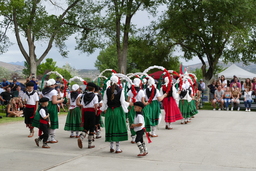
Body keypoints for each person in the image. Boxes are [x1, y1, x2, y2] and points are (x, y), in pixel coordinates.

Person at [101, 75, 130, 153]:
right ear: (117, 81)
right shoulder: (121, 90)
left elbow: (105, 102)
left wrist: (103, 109)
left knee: (111, 128)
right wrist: (127, 109)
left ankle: (111, 147)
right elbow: (122, 102)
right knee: (117, 128)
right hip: (118, 111)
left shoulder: (107, 90)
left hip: (110, 111)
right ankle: (117, 148)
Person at [33, 79, 64, 143]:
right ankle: (51, 138)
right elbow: (54, 101)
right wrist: (61, 100)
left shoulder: (43, 91)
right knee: (52, 121)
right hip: (52, 106)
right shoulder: (54, 91)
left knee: (46, 122)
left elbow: (42, 98)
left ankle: (46, 137)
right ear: (52, 85)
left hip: (44, 105)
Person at [77, 82, 98, 149]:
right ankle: (90, 144)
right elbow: (96, 106)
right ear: (94, 89)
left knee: (86, 127)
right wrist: (96, 114)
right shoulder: (95, 96)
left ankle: (81, 137)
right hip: (92, 112)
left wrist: (81, 116)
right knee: (91, 128)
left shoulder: (83, 96)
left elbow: (82, 106)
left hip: (85, 112)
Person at [127, 78, 147, 143]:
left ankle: (133, 137)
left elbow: (128, 101)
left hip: (132, 107)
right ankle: (139, 136)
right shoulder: (141, 91)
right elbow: (143, 102)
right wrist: (148, 103)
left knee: (132, 121)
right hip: (139, 108)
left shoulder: (130, 91)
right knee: (139, 121)